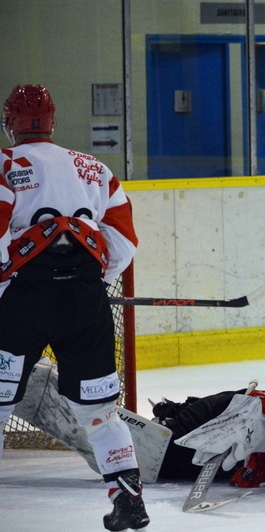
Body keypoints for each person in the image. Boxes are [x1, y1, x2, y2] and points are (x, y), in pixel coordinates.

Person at [0, 85, 149, 531]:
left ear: (10, 121)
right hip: (85, 305)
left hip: (23, 303)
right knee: (99, 412)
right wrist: (88, 283)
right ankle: (129, 503)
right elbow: (123, 244)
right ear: (51, 121)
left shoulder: (6, 165)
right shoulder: (94, 168)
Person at [13, 357, 265, 488]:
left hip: (221, 417)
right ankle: (34, 380)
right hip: (220, 422)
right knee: (144, 460)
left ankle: (28, 379)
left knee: (141, 455)